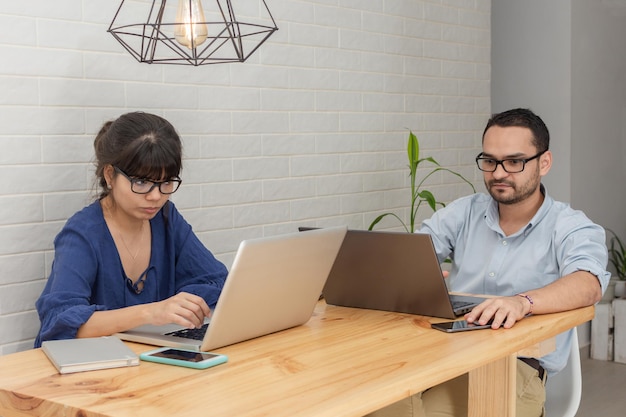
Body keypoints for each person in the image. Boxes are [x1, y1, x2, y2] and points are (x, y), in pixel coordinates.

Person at [367, 108, 610, 417]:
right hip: (443, 356)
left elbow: (588, 283)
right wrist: (414, 275)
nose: (498, 173)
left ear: (544, 163)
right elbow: (410, 254)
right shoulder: (464, 211)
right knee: (369, 404)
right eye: (490, 161)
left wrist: (522, 302)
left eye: (514, 161)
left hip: (515, 367)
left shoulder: (571, 226)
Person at [34, 112, 228, 348]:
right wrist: (151, 313)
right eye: (141, 182)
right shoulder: (82, 233)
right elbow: (59, 324)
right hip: (94, 369)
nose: (156, 196)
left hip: (148, 359)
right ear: (110, 175)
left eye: (166, 182)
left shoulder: (167, 219)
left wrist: (181, 304)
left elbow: (216, 281)